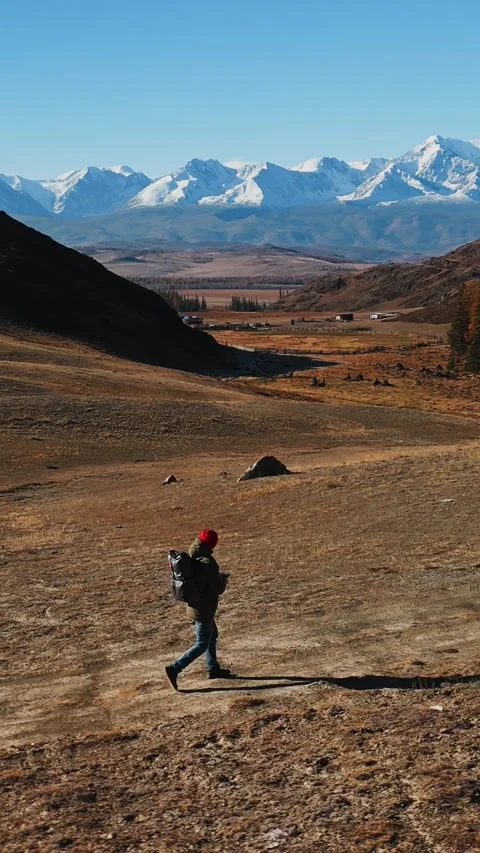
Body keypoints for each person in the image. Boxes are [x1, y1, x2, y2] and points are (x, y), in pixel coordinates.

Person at [165, 529, 232, 690]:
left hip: (196, 605)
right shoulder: (207, 562)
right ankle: (174, 668)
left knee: (212, 636)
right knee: (202, 643)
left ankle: (213, 668)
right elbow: (217, 588)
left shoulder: (192, 553)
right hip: (204, 608)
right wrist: (222, 580)